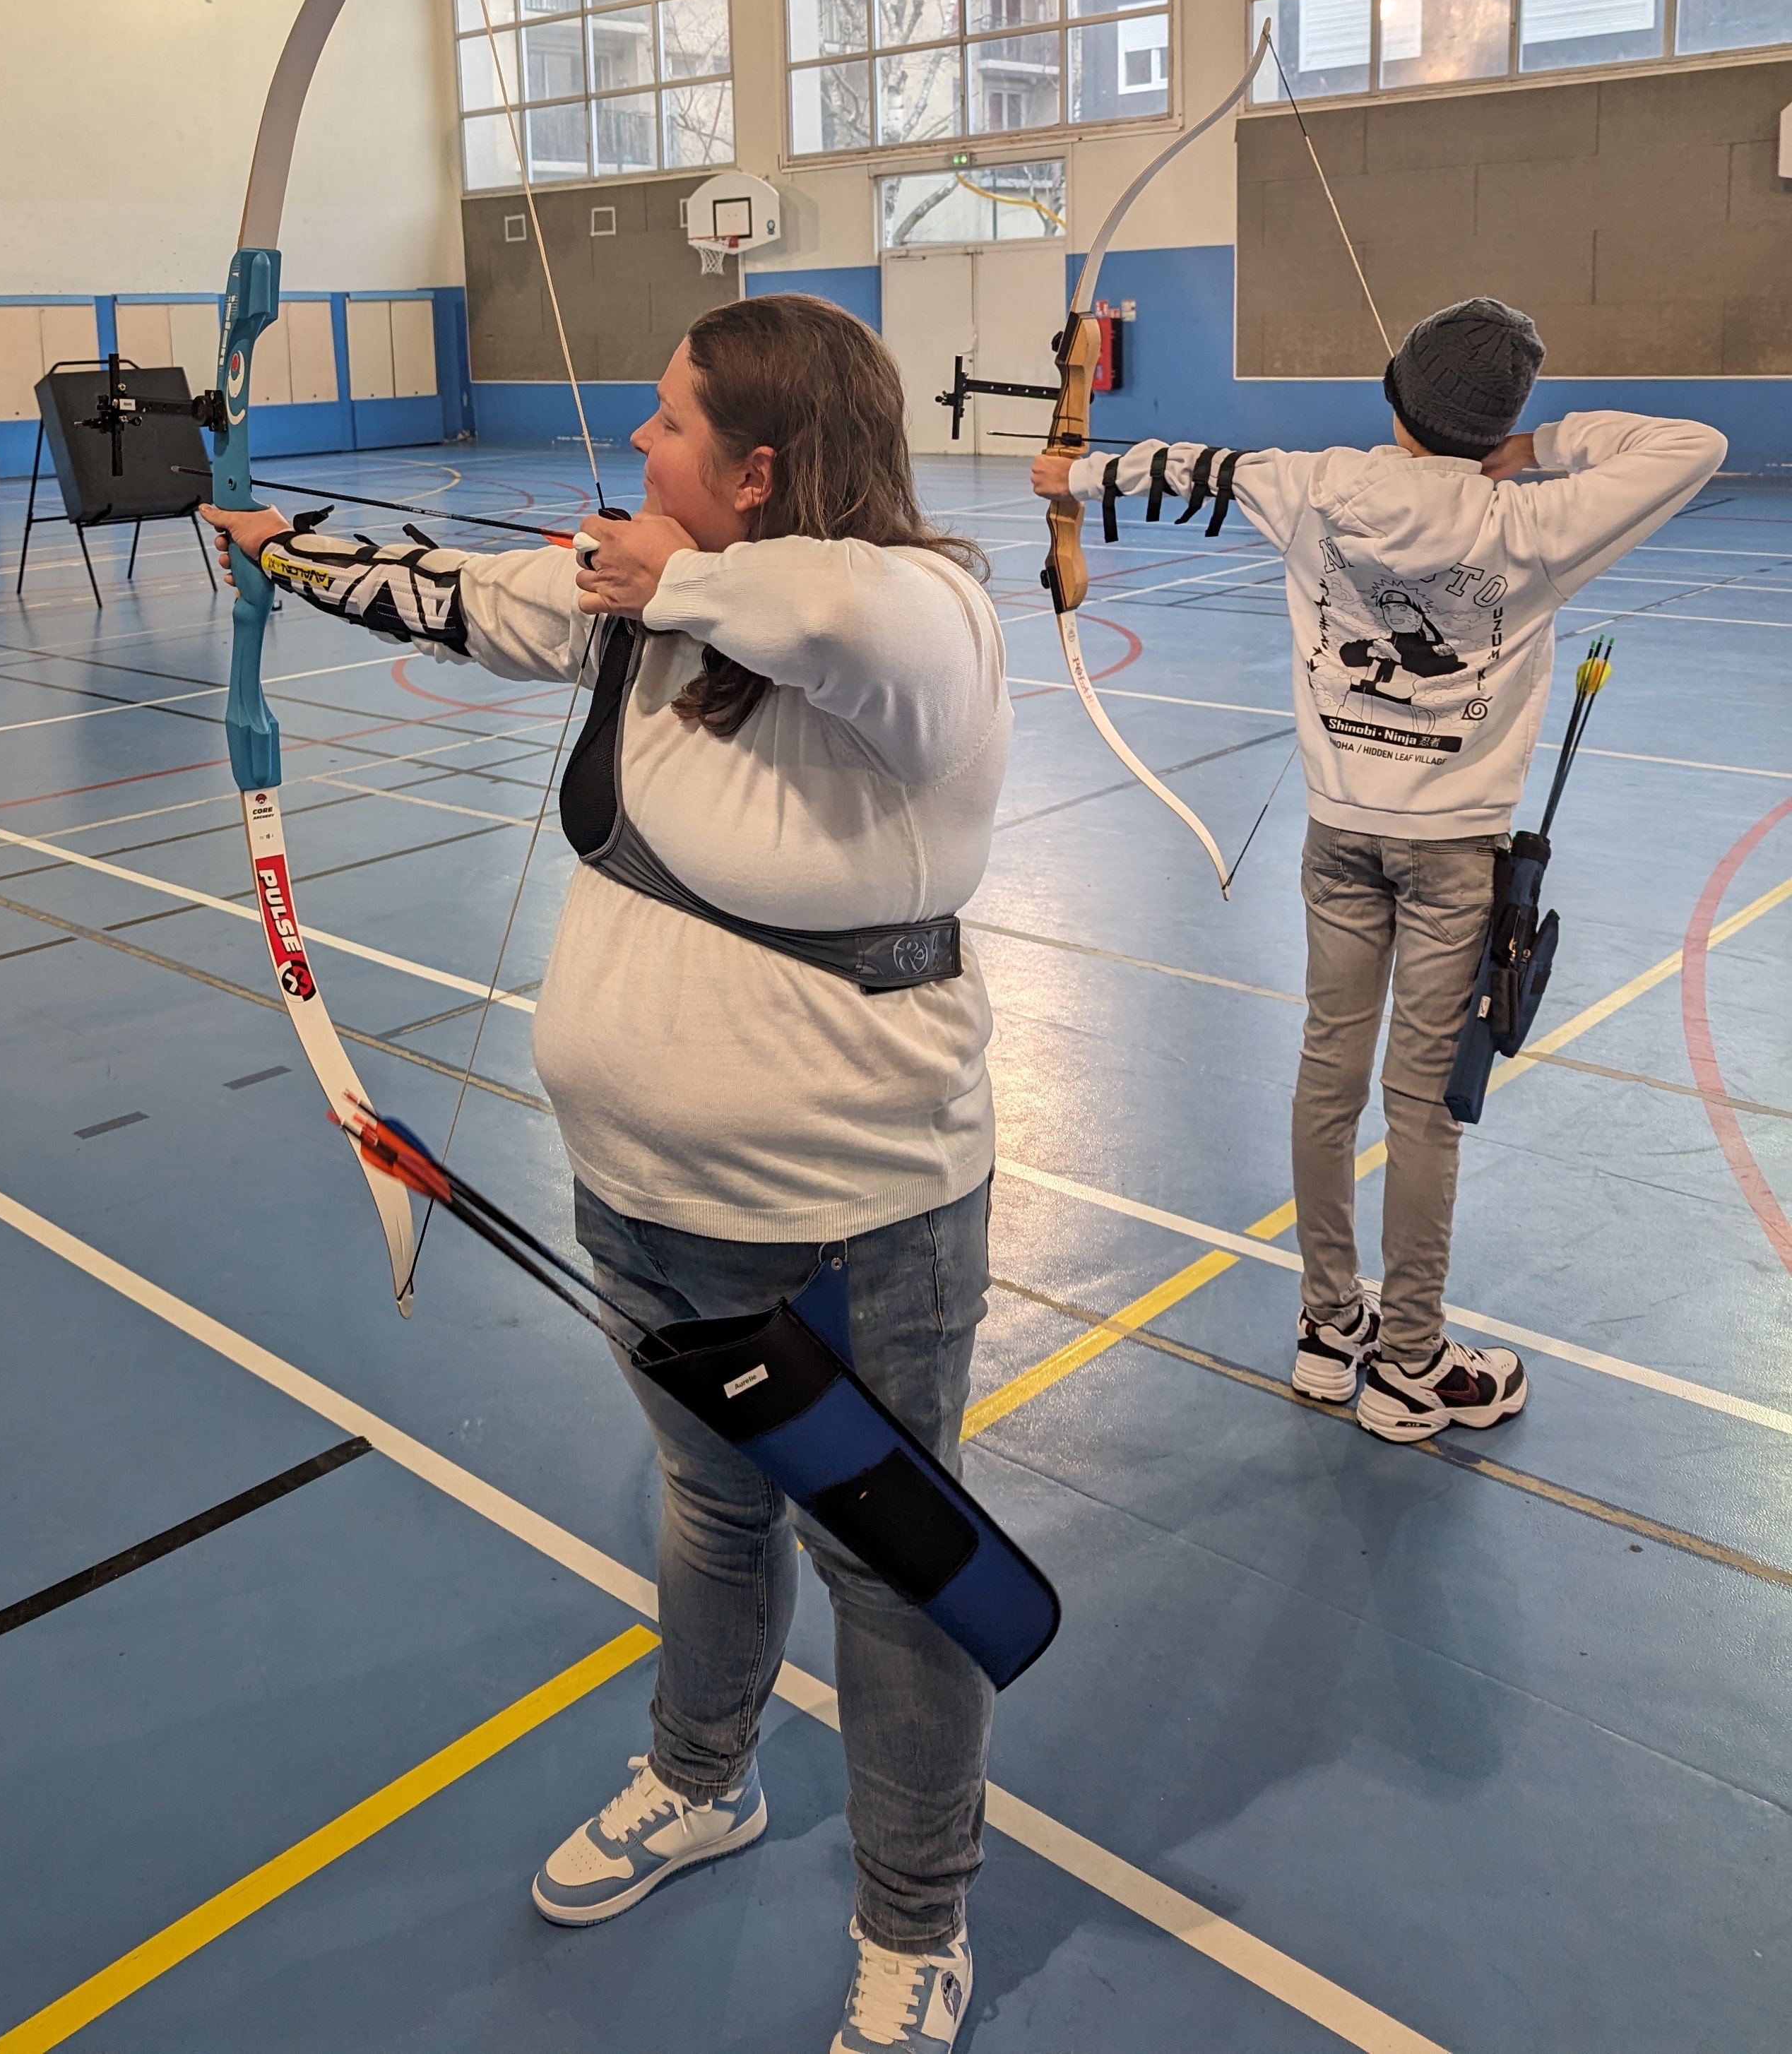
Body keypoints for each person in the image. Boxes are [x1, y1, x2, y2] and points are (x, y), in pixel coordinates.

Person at [206, 293, 1010, 2052]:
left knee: (893, 1577)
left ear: (759, 470)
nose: (636, 444)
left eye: (669, 424)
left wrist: (675, 575)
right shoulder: (643, 612)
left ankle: (916, 1921)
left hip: (850, 1228)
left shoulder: (924, 619)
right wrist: (285, 552)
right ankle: (704, 1780)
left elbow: (834, 609)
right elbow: (459, 593)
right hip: (636, 1203)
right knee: (714, 1513)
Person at [1032, 297, 1725, 1442]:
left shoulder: (1319, 485)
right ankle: (1408, 1364)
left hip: (1338, 838)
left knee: (1328, 1075)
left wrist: (1076, 475)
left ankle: (1327, 1328)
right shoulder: (1534, 519)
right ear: (1495, 421)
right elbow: (1690, 446)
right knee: (1422, 1107)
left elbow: (1194, 469)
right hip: (1455, 855)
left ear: (1395, 393)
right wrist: (1536, 448)